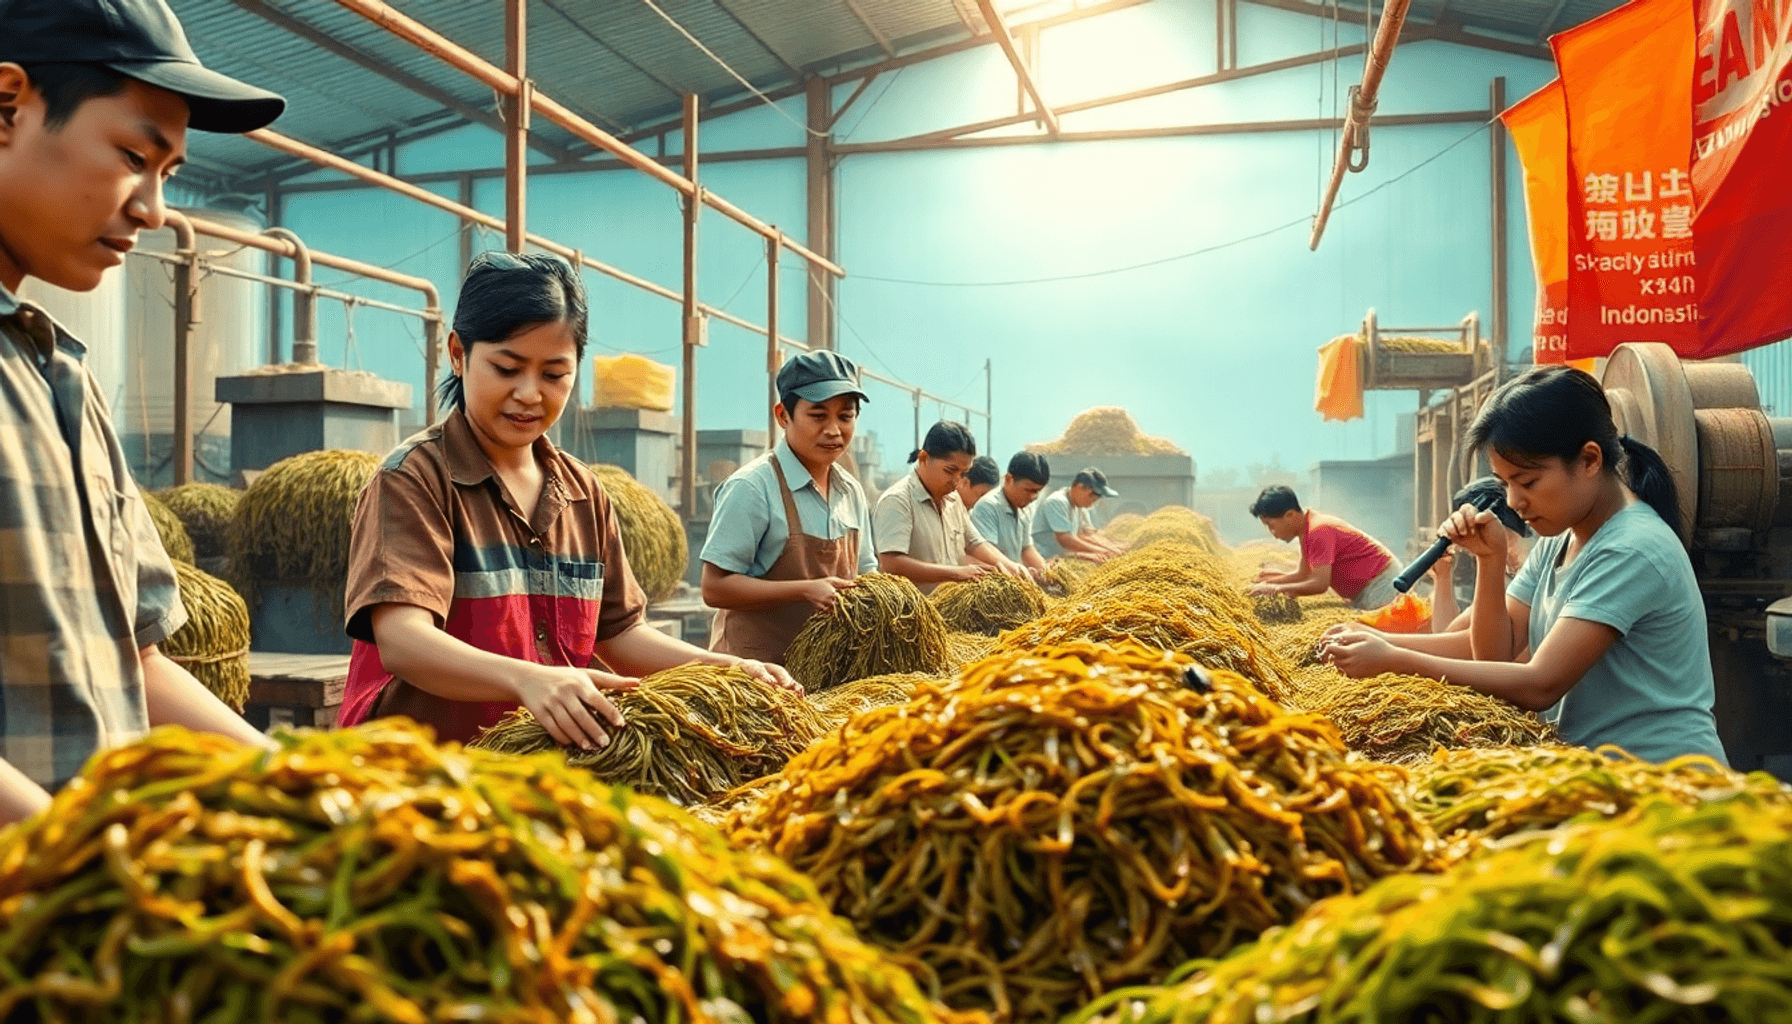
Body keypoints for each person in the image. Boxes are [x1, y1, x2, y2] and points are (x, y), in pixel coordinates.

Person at [0, 0, 288, 824]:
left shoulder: (62, 376)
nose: (155, 210)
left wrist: (324, 795)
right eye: (135, 156)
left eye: (169, 173)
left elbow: (138, 659)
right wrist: (75, 868)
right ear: (7, 105)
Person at [341, 252, 796, 752]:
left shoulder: (584, 494)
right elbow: (404, 642)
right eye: (507, 368)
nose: (529, 394)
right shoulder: (413, 480)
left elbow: (621, 637)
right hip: (419, 771)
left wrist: (731, 670)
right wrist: (529, 679)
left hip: (541, 773)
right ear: (457, 353)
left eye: (554, 374)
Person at [1324, 366, 1726, 764]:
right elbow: (1495, 650)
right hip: (1600, 777)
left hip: (1665, 782)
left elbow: (1540, 683)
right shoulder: (1561, 538)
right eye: (1504, 485)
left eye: (1527, 482)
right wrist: (1489, 558)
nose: (1514, 502)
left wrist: (1394, 660)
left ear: (1588, 460)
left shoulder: (1631, 548)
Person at [702, 350, 878, 662]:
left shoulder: (851, 491)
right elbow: (715, 588)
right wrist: (804, 590)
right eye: (819, 416)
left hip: (826, 673)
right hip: (754, 675)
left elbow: (866, 574)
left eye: (845, 416)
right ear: (783, 415)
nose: (834, 430)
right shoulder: (752, 488)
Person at [875, 421, 1024, 594]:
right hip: (911, 613)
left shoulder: (954, 499)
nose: (956, 481)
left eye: (962, 473)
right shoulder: (898, 500)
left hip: (949, 608)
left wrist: (1009, 566)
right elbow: (891, 563)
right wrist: (955, 574)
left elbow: (974, 542)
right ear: (923, 458)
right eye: (949, 470)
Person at [1247, 485, 1399, 610]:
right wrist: (1269, 584)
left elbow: (1320, 584)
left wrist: (1275, 589)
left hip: (1381, 585)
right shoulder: (1306, 529)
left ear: (1290, 515)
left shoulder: (1318, 530)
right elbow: (1304, 573)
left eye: (1271, 526)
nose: (1273, 534)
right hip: (1371, 587)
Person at [970, 451, 1053, 579]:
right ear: (1008, 479)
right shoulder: (988, 507)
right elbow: (985, 554)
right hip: (994, 582)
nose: (1033, 497)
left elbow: (1026, 548)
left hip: (1015, 578)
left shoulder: (1026, 506)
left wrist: (1045, 570)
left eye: (1037, 491)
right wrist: (1018, 572)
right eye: (1029, 490)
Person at [1031, 468, 1125, 561]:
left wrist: (1112, 546)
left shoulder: (1079, 506)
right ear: (1080, 487)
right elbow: (1065, 539)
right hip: (1043, 560)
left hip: (1065, 556)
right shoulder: (1056, 501)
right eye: (1092, 497)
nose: (1093, 502)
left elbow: (1086, 533)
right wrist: (1101, 551)